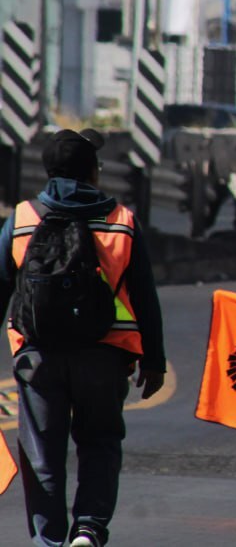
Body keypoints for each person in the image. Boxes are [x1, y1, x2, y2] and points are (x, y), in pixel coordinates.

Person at [0, 129, 166, 547]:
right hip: (105, 357)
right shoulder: (122, 221)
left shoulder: (21, 219)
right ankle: (89, 528)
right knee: (101, 443)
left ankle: (48, 539)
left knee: (42, 452)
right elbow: (145, 296)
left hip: (38, 357)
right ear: (92, 171)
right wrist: (154, 360)